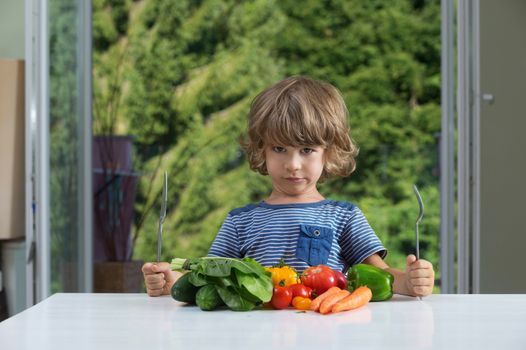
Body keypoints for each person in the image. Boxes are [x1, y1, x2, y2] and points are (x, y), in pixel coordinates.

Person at [142, 76, 435, 298]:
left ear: (328, 153)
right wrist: (171, 280)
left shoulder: (344, 216)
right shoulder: (240, 221)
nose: (293, 164)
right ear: (261, 151)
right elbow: (208, 275)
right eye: (280, 148)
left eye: (307, 150)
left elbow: (382, 277)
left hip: (328, 334)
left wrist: (410, 282)